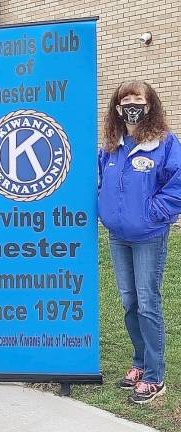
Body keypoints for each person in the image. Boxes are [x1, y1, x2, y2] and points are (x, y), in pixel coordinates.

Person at [98, 80, 181, 404]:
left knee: (147, 303)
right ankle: (140, 362)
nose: (131, 105)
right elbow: (100, 181)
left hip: (148, 237)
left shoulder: (165, 143)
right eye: (125, 100)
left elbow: (177, 187)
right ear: (117, 108)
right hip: (118, 237)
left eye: (138, 99)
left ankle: (155, 376)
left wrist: (151, 214)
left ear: (150, 105)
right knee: (129, 302)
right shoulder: (112, 145)